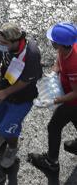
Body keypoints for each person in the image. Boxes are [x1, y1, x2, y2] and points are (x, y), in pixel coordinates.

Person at [0, 23, 42, 169]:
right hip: (3, 84)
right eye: (0, 41)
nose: (0, 44)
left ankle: (12, 147)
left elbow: (26, 81)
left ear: (16, 42)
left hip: (21, 97)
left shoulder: (31, 53)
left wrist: (5, 93)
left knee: (9, 128)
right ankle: (2, 134)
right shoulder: (3, 41)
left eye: (4, 43)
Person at [27, 22, 77, 173]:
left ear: (59, 44)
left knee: (54, 126)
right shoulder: (68, 47)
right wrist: (55, 72)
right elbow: (59, 58)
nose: (51, 42)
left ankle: (51, 162)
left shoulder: (74, 64)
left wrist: (55, 100)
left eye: (53, 41)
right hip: (69, 95)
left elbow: (76, 93)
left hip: (73, 100)